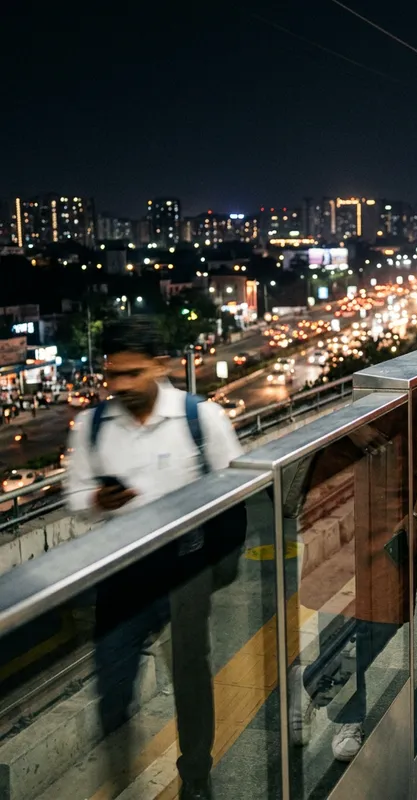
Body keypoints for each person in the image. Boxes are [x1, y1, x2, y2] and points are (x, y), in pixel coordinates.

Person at [65, 317, 245, 800]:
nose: (120, 386)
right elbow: (75, 496)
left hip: (186, 568)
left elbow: (236, 492)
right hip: (121, 572)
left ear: (160, 366)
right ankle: (123, 782)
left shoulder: (200, 419)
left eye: (132, 373)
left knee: (189, 675)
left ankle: (196, 778)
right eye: (113, 375)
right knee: (113, 684)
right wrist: (99, 502)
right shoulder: (93, 426)